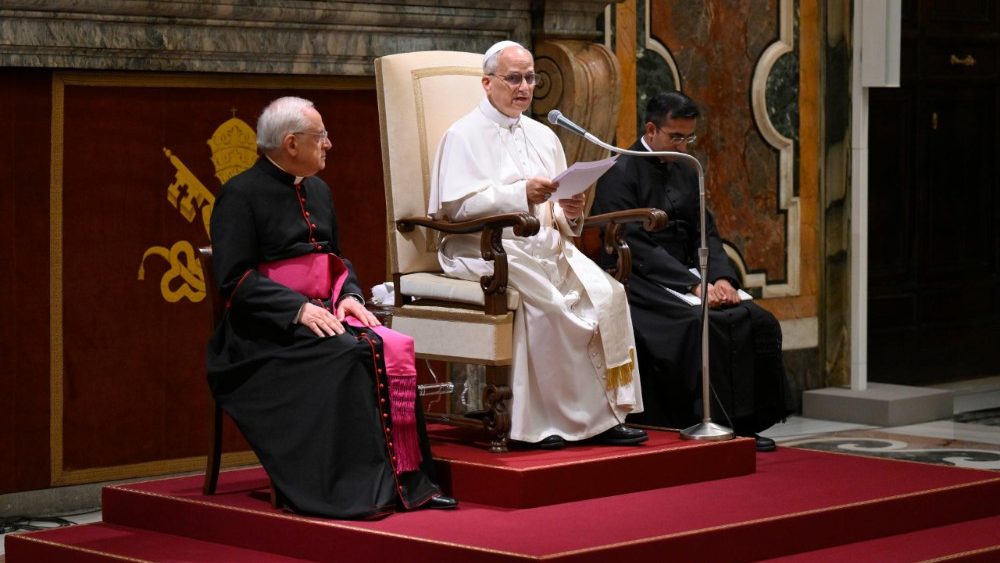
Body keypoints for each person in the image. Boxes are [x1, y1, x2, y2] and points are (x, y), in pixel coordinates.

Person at [207, 96, 456, 519]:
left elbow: (335, 258)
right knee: (348, 354)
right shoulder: (239, 195)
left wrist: (350, 296)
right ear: (291, 143)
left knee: (390, 345)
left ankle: (411, 484)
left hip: (324, 312)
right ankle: (356, 489)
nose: (329, 143)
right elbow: (235, 280)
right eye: (320, 136)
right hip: (260, 335)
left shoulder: (319, 190)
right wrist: (297, 309)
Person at [428, 40, 647, 450]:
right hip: (485, 248)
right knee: (552, 307)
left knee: (608, 295)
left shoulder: (544, 135)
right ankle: (541, 423)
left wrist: (570, 209)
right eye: (514, 78)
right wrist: (519, 194)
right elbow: (455, 210)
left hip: (544, 245)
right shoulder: (461, 135)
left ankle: (604, 417)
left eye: (530, 78)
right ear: (487, 83)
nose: (524, 87)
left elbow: (558, 209)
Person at [592, 90, 793, 452]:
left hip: (693, 273)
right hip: (641, 277)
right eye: (676, 137)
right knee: (696, 323)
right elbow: (632, 241)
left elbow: (706, 231)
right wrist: (692, 284)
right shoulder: (619, 171)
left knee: (755, 319)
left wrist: (721, 278)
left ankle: (744, 424)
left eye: (688, 137)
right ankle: (697, 420)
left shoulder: (687, 168)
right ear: (651, 130)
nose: (683, 146)